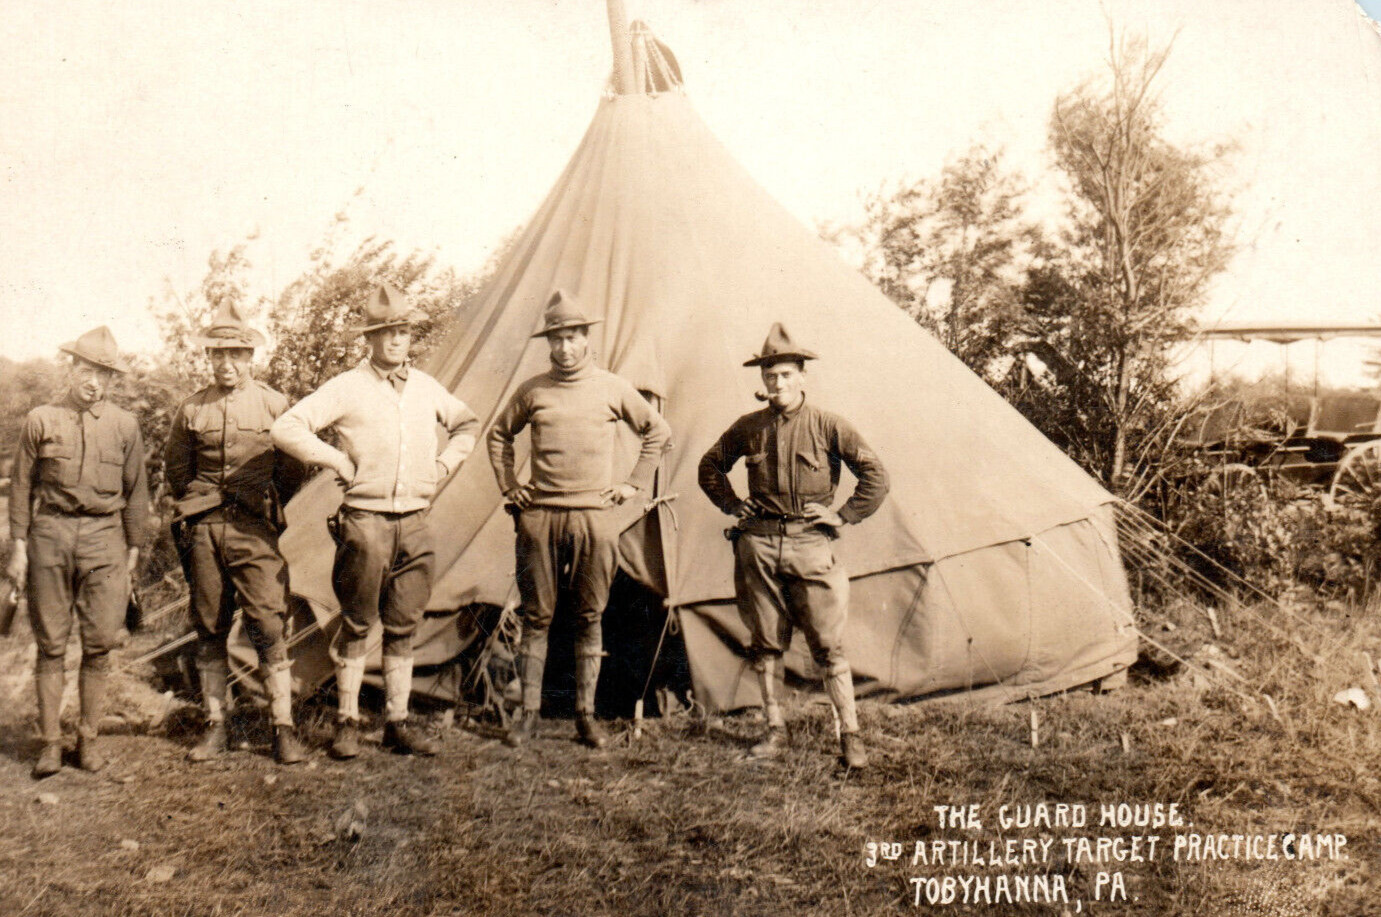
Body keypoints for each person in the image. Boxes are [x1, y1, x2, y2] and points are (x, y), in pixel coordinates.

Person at [271, 284, 479, 759]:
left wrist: (444, 467)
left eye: (403, 331)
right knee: (358, 621)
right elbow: (286, 427)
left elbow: (467, 424)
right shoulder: (348, 386)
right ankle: (347, 722)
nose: (395, 340)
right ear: (370, 338)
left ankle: (396, 723)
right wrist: (337, 463)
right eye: (385, 332)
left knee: (404, 624)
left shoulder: (426, 387)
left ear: (411, 335)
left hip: (416, 520)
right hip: (365, 522)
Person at [697, 323, 888, 769]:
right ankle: (774, 730)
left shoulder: (828, 425)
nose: (777, 384)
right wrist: (732, 505)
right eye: (770, 376)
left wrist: (841, 516)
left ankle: (850, 736)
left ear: (802, 375)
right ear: (762, 381)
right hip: (758, 545)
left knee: (828, 645)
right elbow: (710, 467)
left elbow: (876, 476)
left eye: (785, 375)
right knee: (766, 642)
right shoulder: (748, 428)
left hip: (810, 545)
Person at [487, 290, 671, 749]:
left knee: (591, 614)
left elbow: (657, 431)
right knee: (537, 616)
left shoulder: (612, 387)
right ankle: (528, 714)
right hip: (542, 515)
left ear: (587, 339)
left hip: (594, 516)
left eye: (573, 337)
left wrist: (632, 484)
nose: (565, 348)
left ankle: (585, 716)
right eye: (557, 339)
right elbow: (497, 435)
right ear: (548, 343)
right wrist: (510, 486)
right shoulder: (533, 390)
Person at [164, 302, 308, 765]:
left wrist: (263, 505)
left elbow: (292, 469)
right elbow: (178, 472)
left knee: (267, 621)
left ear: (251, 356)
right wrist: (201, 510)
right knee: (209, 625)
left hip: (253, 529)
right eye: (218, 355)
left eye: (237, 354)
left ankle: (282, 728)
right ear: (209, 359)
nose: (227, 363)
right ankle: (216, 726)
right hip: (205, 527)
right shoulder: (191, 409)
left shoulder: (274, 404)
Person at [6, 326, 151, 778]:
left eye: (105, 375)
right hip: (49, 533)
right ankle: (50, 744)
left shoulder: (125, 426)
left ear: (112, 381)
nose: (95, 382)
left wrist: (131, 555)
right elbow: (20, 488)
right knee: (50, 643)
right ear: (72, 369)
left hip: (105, 539)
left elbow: (137, 494)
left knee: (100, 644)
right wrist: (18, 547)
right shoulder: (40, 420)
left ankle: (87, 741)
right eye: (88, 371)